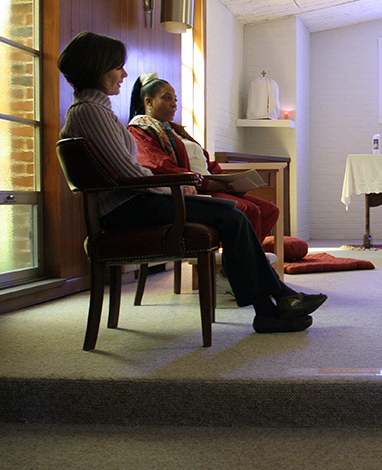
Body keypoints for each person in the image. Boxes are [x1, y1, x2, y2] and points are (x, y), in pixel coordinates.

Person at [57, 31, 326, 334]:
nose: (124, 74)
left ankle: (272, 305)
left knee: (233, 215)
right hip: (128, 208)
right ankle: (274, 302)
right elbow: (129, 174)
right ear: (98, 68)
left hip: (134, 202)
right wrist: (174, 189)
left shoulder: (93, 110)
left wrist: (177, 189)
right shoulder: (91, 112)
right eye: (118, 66)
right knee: (233, 216)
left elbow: (127, 171)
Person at [128, 73, 279, 244]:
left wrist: (228, 181)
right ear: (148, 101)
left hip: (207, 182)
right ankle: (241, 265)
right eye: (167, 98)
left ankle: (239, 260)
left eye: (175, 100)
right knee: (247, 209)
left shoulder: (175, 131)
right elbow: (159, 165)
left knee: (269, 209)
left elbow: (204, 161)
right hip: (191, 188)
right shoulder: (141, 130)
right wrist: (207, 183)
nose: (174, 104)